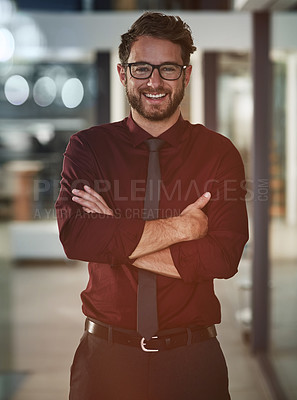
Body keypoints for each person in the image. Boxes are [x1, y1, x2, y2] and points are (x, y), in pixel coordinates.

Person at [55, 11, 248, 400]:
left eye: (168, 69)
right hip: (104, 362)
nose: (154, 82)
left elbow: (222, 258)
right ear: (123, 73)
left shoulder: (218, 153)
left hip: (193, 362)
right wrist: (183, 228)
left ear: (187, 75)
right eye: (141, 68)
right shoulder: (88, 148)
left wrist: (113, 230)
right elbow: (78, 237)